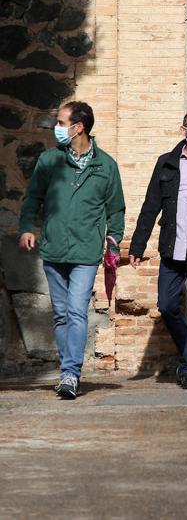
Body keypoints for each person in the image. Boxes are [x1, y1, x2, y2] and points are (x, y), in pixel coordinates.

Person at [18, 101, 125, 399]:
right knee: (62, 314)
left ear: (79, 127)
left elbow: (116, 209)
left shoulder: (106, 166)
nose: (57, 127)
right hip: (53, 249)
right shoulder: (50, 161)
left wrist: (113, 239)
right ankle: (68, 369)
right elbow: (32, 199)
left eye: (62, 122)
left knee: (77, 311)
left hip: (86, 252)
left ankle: (70, 374)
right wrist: (27, 226)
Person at [129, 109, 187, 389]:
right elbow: (150, 205)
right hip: (173, 246)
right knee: (168, 305)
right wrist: (137, 244)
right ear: (182, 129)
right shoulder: (167, 163)